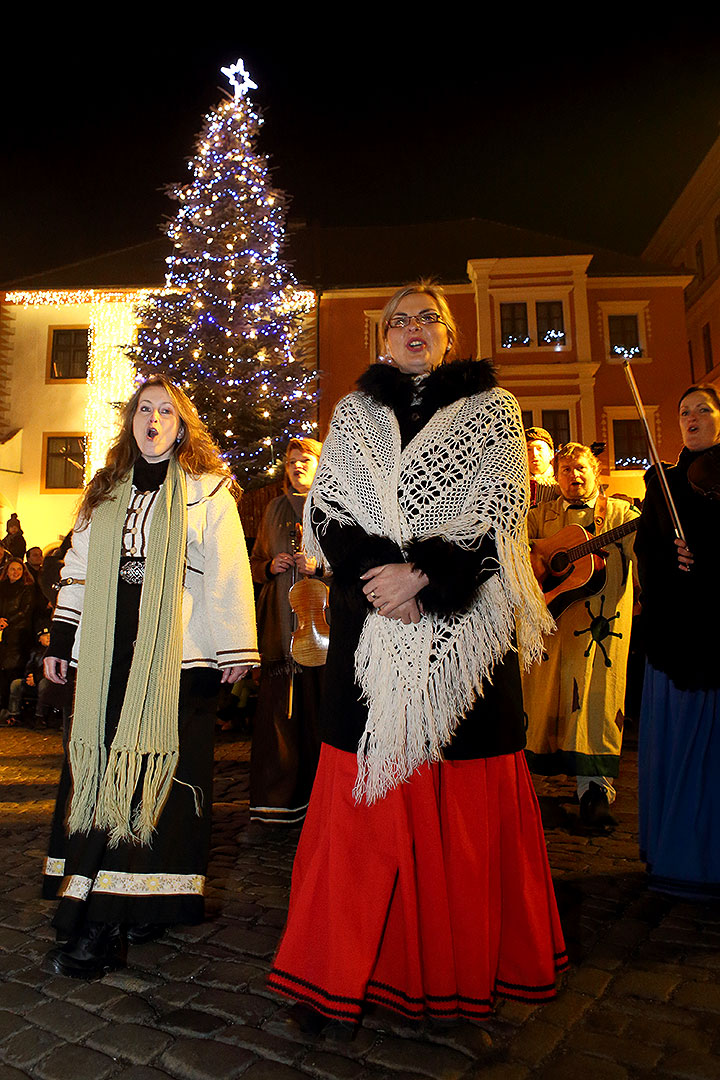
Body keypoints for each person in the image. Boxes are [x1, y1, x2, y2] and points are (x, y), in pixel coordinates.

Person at [267, 282, 566, 1034]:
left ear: (449, 334)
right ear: (382, 338)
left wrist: (425, 578)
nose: (412, 329)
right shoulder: (353, 415)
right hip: (369, 631)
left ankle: (461, 969)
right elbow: (329, 513)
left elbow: (499, 512)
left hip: (464, 627)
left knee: (457, 806)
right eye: (398, 320)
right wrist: (383, 582)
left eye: (427, 318)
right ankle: (340, 971)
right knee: (361, 805)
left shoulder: (492, 411)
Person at [42, 376, 260, 978]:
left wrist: (235, 647)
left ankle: (136, 905)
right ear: (130, 421)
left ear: (183, 424)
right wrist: (63, 638)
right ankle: (102, 915)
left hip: (176, 661)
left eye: (167, 411)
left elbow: (225, 572)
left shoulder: (207, 490)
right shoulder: (105, 491)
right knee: (106, 778)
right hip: (108, 656)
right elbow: (79, 568)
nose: (155, 420)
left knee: (157, 788)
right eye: (145, 410)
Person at [523, 443, 639, 827]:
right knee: (541, 704)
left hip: (599, 632)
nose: (573, 476)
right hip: (552, 626)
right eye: (566, 470)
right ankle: (528, 791)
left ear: (596, 471)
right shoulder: (540, 515)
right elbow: (519, 553)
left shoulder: (621, 513)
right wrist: (540, 560)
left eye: (580, 469)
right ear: (556, 478)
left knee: (596, 703)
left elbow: (647, 554)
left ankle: (595, 791)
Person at [635, 384, 720, 899]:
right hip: (674, 629)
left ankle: (707, 857)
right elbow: (648, 547)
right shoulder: (662, 480)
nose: (691, 418)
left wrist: (708, 557)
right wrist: (672, 559)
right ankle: (674, 854)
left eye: (702, 410)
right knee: (677, 740)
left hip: (714, 631)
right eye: (684, 411)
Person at [247, 437, 324, 838]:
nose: (297, 467)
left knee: (317, 718)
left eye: (305, 460)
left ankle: (319, 806)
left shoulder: (335, 505)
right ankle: (274, 808)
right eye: (291, 462)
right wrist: (270, 567)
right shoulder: (275, 509)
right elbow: (256, 561)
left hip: (323, 635)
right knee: (278, 720)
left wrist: (320, 566)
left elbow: (351, 567)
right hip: (280, 632)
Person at [0, 558, 35, 714]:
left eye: (19, 569)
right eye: (12, 569)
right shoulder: (2, 587)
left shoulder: (28, 589)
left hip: (18, 635)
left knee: (11, 671)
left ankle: (10, 709)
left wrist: (7, 621)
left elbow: (25, 610)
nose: (16, 572)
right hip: (3, 632)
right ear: (7, 571)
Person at [526, 427, 560, 505]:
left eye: (539, 448)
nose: (534, 454)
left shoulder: (561, 480)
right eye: (529, 449)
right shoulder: (517, 483)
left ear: (551, 454)